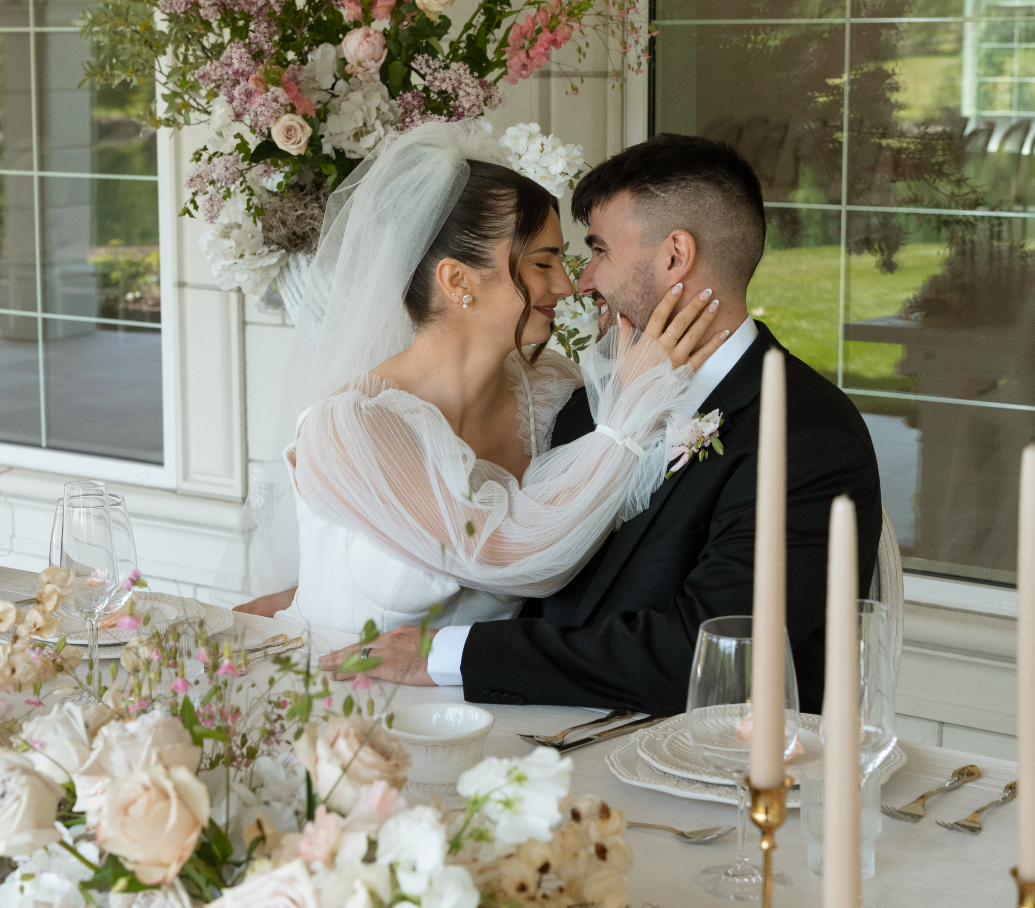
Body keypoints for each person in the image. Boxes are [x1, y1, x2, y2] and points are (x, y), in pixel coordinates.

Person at [353, 133, 882, 714]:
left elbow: (704, 657)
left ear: (675, 257)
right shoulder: (588, 405)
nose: (580, 282)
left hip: (708, 779)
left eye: (599, 251)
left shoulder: (808, 438)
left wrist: (447, 653)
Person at [235, 121, 724, 653]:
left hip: (493, 714)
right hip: (338, 707)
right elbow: (511, 555)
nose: (565, 285)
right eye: (543, 263)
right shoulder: (348, 428)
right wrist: (629, 413)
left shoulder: (553, 388)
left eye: (563, 260)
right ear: (457, 281)